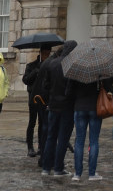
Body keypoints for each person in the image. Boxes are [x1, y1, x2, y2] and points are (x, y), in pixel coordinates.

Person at [65, 73, 113, 182]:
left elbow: (68, 92)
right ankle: (92, 173)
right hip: (94, 107)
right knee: (94, 141)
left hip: (79, 107)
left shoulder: (77, 71)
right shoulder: (99, 71)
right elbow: (109, 88)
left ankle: (77, 174)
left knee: (79, 141)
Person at [40, 40, 78, 177]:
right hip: (67, 106)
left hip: (53, 105)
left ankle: (46, 167)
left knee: (51, 137)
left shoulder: (52, 63)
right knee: (62, 138)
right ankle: (58, 168)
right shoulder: (72, 66)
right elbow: (73, 89)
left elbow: (45, 86)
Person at [23, 46, 50, 157]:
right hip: (33, 97)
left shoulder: (49, 65)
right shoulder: (31, 65)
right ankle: (30, 146)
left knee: (42, 122)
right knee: (32, 122)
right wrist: (36, 71)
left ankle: (41, 145)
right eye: (45, 54)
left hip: (44, 98)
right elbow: (25, 80)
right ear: (41, 53)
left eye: (48, 54)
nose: (46, 56)